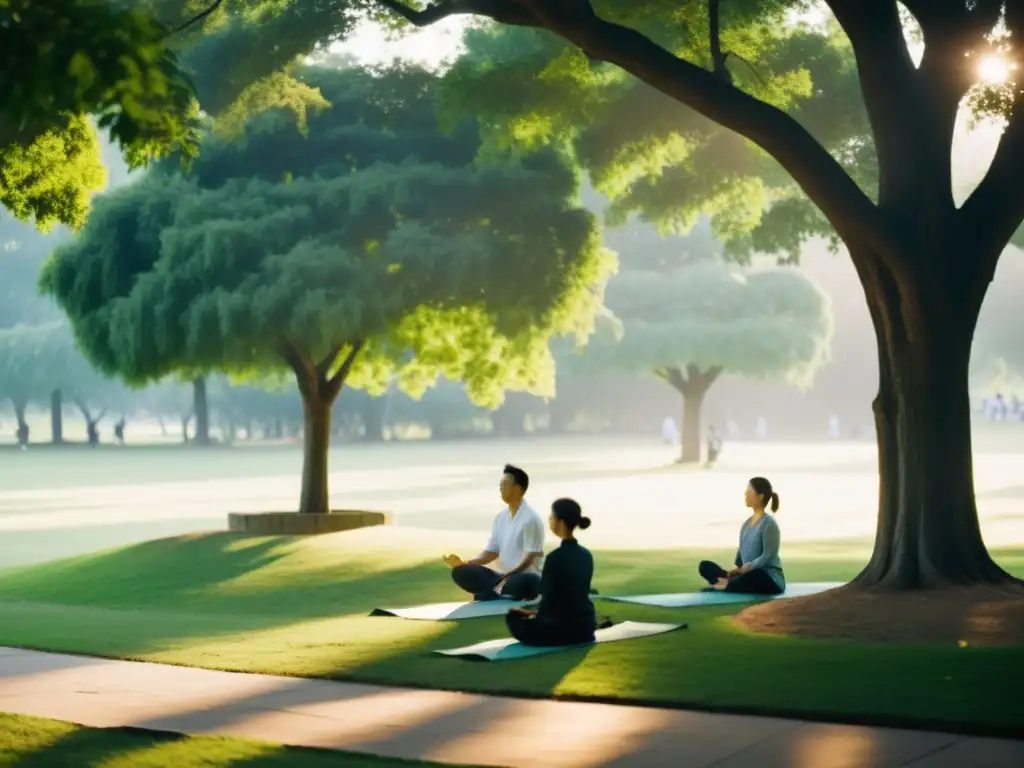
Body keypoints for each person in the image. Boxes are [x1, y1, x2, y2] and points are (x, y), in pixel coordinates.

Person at [506, 497, 601, 647]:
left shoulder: (554, 557)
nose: (549, 520)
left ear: (560, 522)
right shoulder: (586, 554)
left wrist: (531, 613)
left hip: (561, 630)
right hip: (586, 627)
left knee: (512, 616)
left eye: (551, 517)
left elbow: (548, 601)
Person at [443, 464, 545, 602]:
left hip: (522, 575)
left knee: (530, 581)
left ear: (517, 489)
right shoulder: (501, 517)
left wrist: (506, 577)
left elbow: (529, 559)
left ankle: (495, 590)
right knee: (460, 572)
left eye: (505, 485)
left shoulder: (531, 519)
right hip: (498, 577)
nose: (501, 488)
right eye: (500, 485)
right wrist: (465, 563)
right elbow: (491, 552)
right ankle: (498, 590)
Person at [698, 476, 785, 595]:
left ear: (760, 496)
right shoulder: (746, 524)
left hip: (769, 578)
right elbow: (741, 550)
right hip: (745, 574)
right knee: (704, 566)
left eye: (749, 492)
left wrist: (748, 567)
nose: (745, 494)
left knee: (755, 575)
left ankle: (727, 584)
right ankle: (729, 582)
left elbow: (768, 556)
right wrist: (735, 566)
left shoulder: (769, 523)